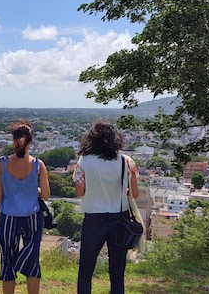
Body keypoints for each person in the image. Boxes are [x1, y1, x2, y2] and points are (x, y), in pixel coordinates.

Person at [74, 120, 139, 294]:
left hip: (94, 218)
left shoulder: (85, 161)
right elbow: (135, 193)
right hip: (120, 218)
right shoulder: (127, 161)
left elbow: (79, 192)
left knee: (86, 270)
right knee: (117, 272)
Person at [0, 120, 51, 294]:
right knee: (32, 262)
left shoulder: (2, 164)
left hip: (7, 217)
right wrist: (35, 189)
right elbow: (46, 194)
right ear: (30, 142)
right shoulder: (37, 165)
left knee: (7, 263)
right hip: (32, 217)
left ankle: (13, 265)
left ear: (13, 141)